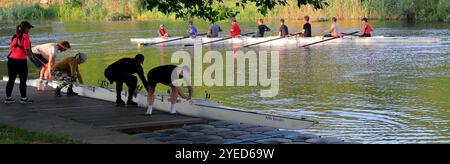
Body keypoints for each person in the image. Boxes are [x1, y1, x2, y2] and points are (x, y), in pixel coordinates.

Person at [4, 21, 34, 104]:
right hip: (20, 61)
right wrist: (33, 58)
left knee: (11, 80)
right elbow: (27, 51)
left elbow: (12, 48)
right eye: (29, 28)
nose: (29, 30)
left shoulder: (14, 36)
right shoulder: (26, 36)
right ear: (25, 28)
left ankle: (8, 98)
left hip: (11, 60)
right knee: (23, 80)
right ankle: (23, 99)